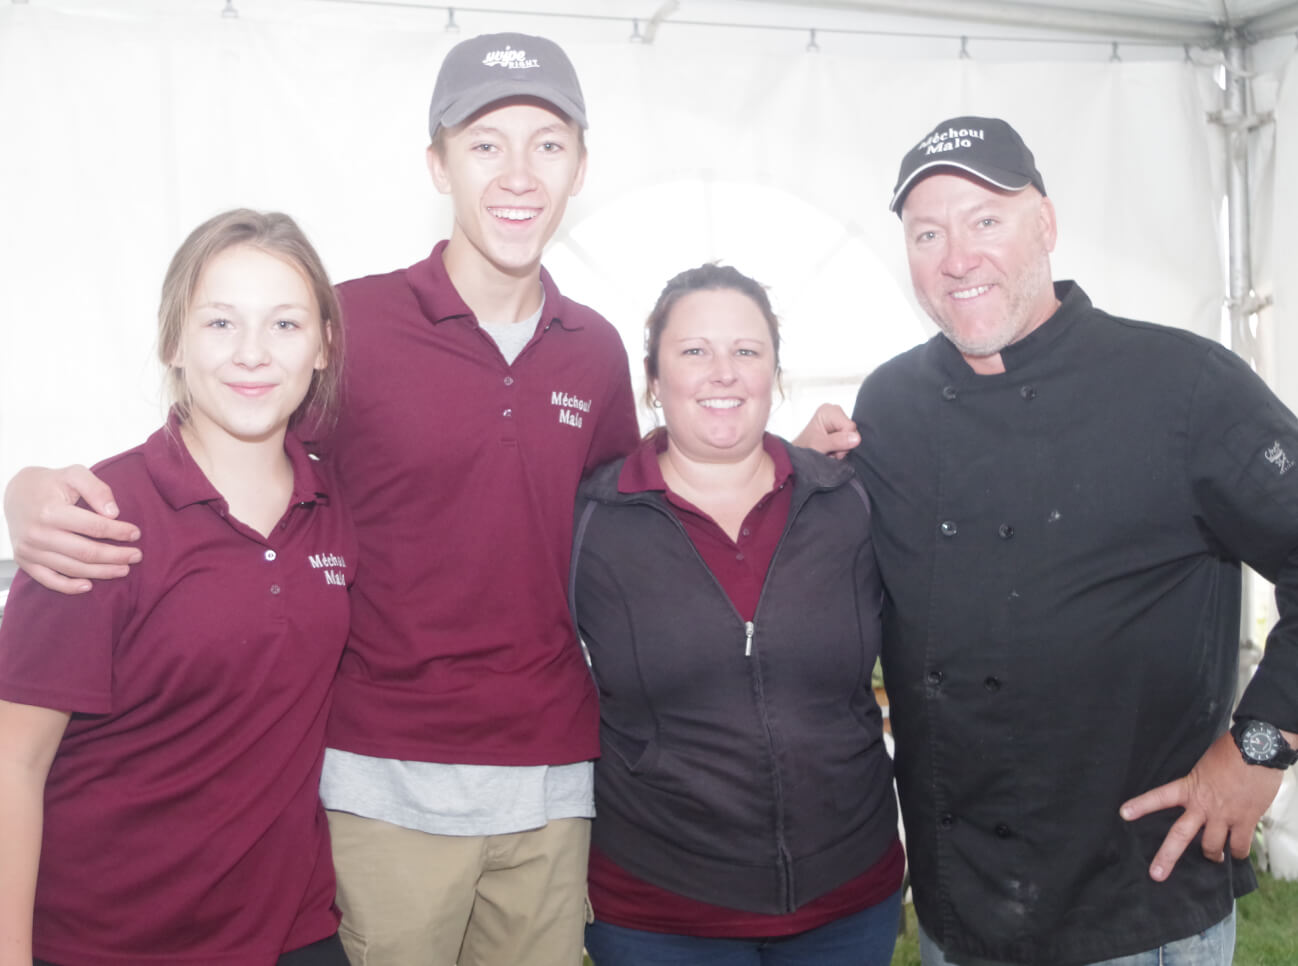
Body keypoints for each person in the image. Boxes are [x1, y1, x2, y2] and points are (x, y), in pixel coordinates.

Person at [4, 33, 639, 966]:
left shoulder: (596, 349)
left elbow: (634, 497)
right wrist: (28, 489)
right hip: (383, 783)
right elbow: (221, 448)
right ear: (438, 164)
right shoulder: (348, 325)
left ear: (582, 166)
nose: (517, 172)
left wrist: (803, 451)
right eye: (483, 142)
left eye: (547, 142)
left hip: (547, 778)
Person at [819, 116, 1298, 965]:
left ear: (1046, 223)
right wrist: (786, 469)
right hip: (957, 911)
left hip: (1139, 900)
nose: (957, 257)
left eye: (986, 220)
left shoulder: (1184, 385)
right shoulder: (889, 405)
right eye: (928, 233)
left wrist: (1260, 746)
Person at [0, 208, 354, 965]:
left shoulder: (336, 501)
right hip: (111, 943)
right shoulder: (94, 523)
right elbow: (12, 762)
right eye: (221, 323)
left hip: (291, 933)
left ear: (323, 346)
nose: (253, 354)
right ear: (174, 343)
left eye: (286, 325)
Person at [570, 264, 904, 966]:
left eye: (746, 352)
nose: (723, 372)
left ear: (776, 373)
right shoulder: (592, 523)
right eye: (694, 351)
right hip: (658, 911)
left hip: (846, 901)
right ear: (653, 380)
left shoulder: (847, 502)